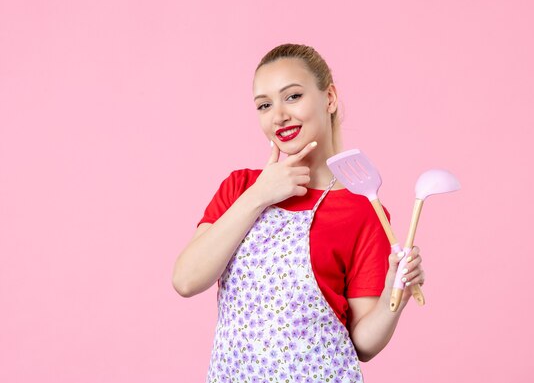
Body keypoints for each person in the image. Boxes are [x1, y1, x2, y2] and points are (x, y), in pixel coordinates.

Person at [172, 43, 425, 382]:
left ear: (330, 98)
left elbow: (363, 343)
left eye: (292, 96)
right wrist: (259, 195)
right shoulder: (240, 188)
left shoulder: (362, 209)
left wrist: (396, 293)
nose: (278, 115)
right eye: (264, 105)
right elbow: (186, 280)